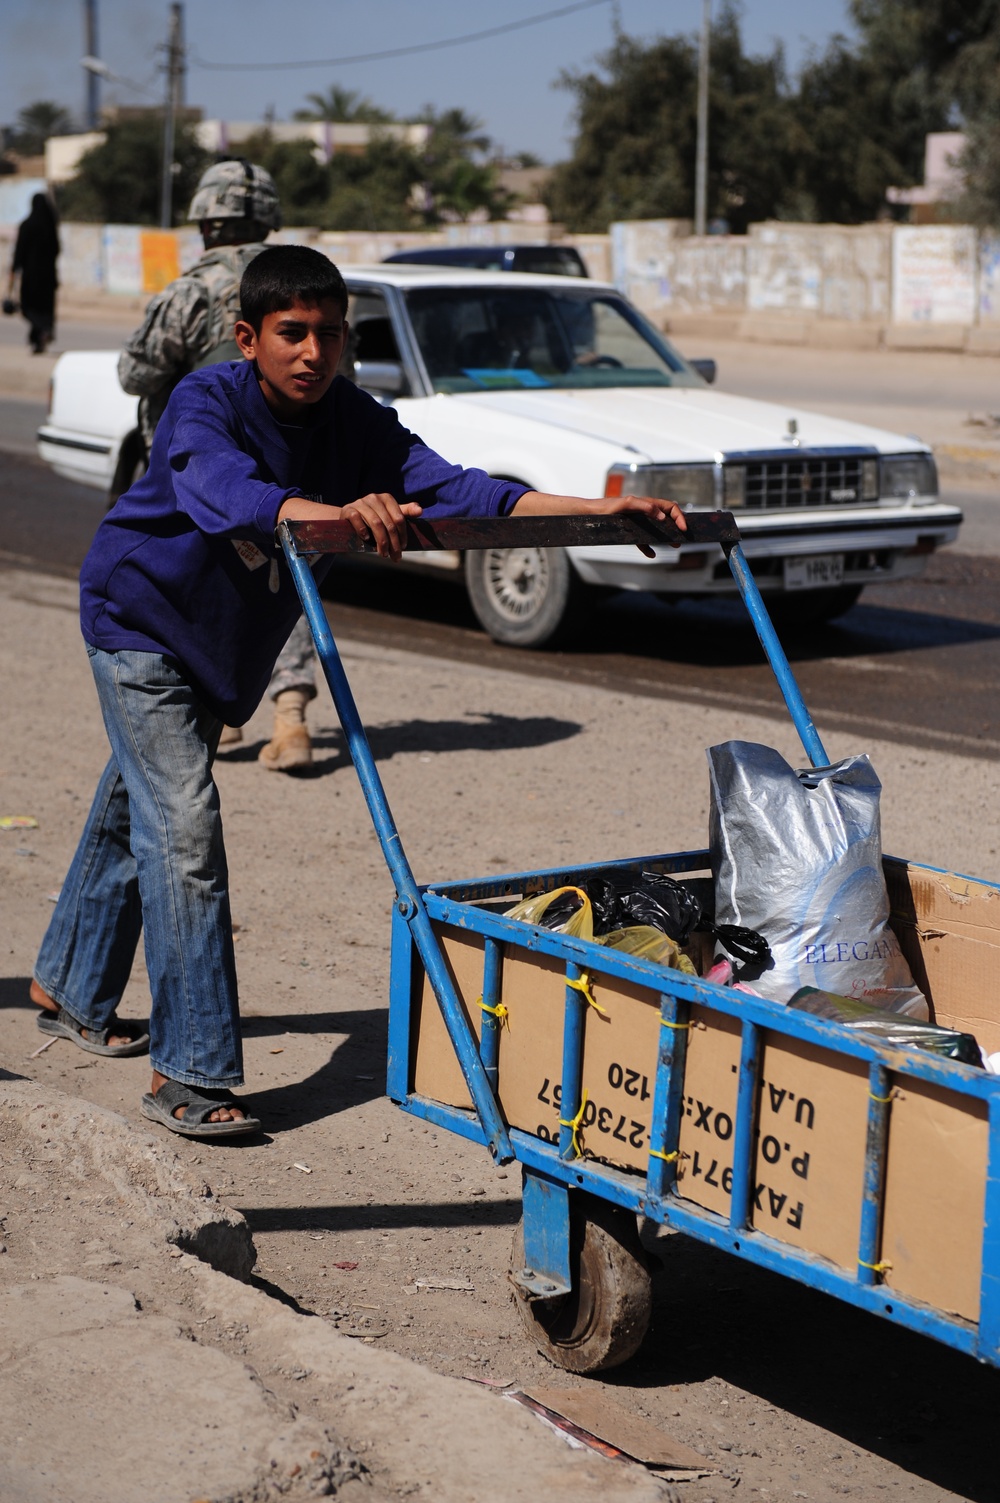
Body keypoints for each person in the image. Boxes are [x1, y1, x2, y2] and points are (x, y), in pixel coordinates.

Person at [29, 244, 686, 1140]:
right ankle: (190, 1069)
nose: (311, 352)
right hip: (139, 619)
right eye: (291, 334)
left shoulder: (353, 421)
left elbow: (461, 491)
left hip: (222, 643)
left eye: (329, 335)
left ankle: (67, 984)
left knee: (135, 801)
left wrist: (597, 513)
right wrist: (328, 513)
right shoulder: (204, 401)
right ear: (246, 337)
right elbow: (225, 488)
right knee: (181, 828)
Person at [117, 158, 316, 772]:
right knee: (288, 584)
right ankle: (290, 719)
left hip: (201, 478)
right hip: (288, 471)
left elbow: (136, 374)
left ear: (206, 223)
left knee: (206, 587)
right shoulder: (301, 290)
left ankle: (220, 718)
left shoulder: (190, 290)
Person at [7, 193, 60, 354]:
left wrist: (14, 270)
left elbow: (19, 252)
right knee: (46, 308)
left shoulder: (27, 225)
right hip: (49, 276)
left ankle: (41, 331)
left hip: (31, 277)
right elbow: (57, 250)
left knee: (29, 307)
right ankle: (41, 335)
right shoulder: (50, 227)